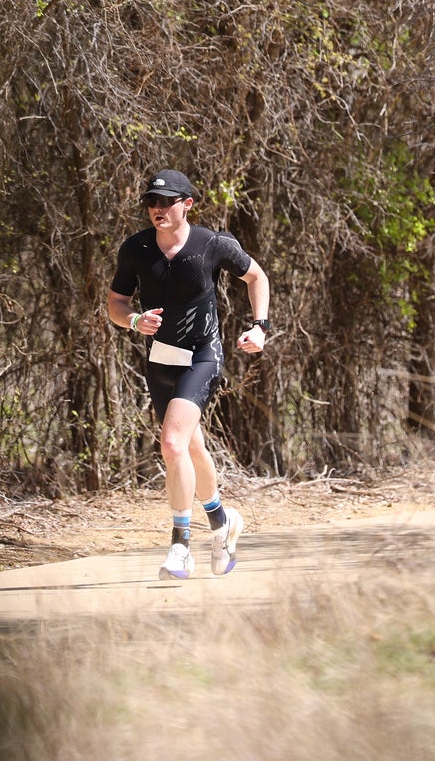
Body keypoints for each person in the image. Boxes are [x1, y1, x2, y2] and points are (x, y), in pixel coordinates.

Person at [107, 169, 270, 580]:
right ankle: (222, 522)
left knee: (172, 442)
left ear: (188, 204)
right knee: (191, 447)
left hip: (202, 355)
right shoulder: (136, 248)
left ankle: (180, 546)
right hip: (160, 360)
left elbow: (257, 276)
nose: (157, 209)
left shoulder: (211, 244)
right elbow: (116, 303)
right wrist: (134, 320)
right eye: (151, 202)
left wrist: (259, 327)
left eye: (167, 202)